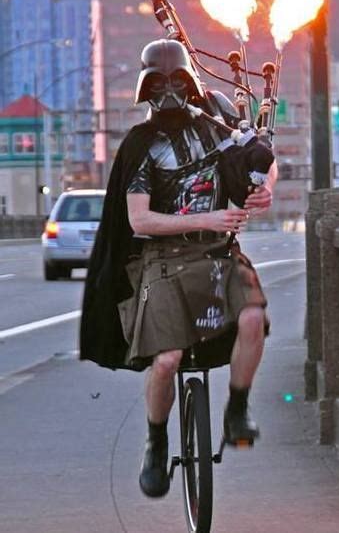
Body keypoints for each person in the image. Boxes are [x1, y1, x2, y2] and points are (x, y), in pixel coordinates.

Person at [79, 38, 277, 499]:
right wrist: (206, 217)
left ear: (189, 83)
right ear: (146, 88)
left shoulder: (218, 123)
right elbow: (138, 219)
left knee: (252, 319)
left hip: (219, 253)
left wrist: (262, 188)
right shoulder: (142, 146)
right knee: (166, 359)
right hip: (163, 259)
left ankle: (238, 410)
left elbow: (258, 162)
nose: (168, 93)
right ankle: (155, 441)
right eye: (159, 84)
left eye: (176, 82)